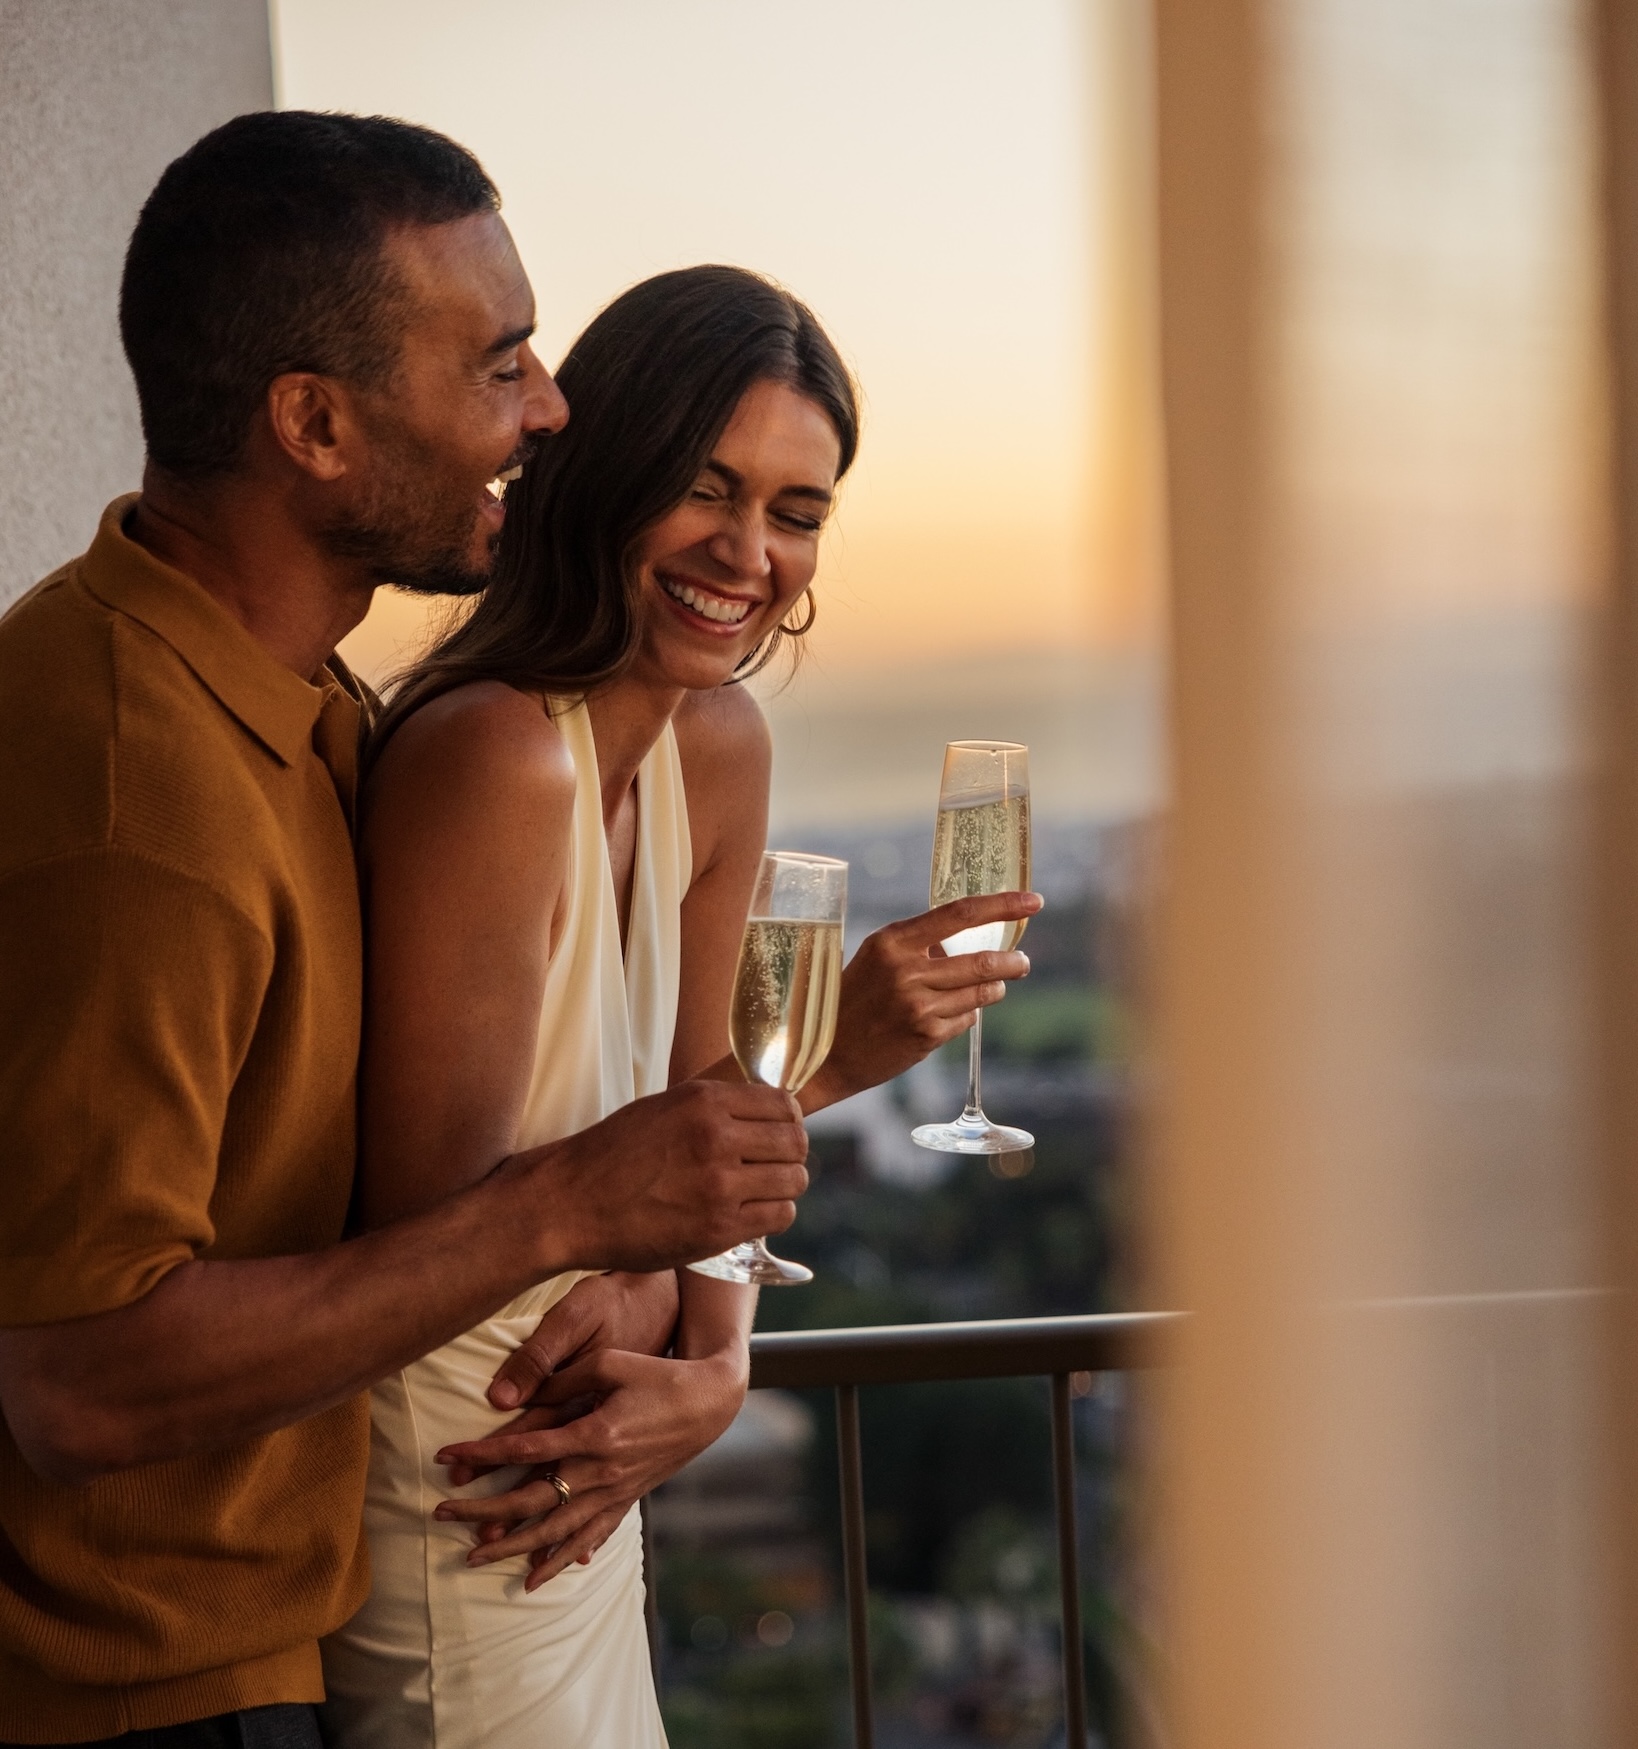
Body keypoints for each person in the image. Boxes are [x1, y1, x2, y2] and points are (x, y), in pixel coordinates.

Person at [0, 117, 812, 1748]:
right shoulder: (135, 793)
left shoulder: (287, 702)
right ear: (314, 422)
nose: (549, 409)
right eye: (498, 365)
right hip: (152, 1688)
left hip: (278, 1633)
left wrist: (663, 1281)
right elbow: (77, 1381)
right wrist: (573, 1208)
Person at [319, 266, 1041, 1747]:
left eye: (794, 510)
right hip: (480, 1486)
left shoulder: (718, 743)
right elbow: (434, 1244)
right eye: (705, 488)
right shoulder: (492, 758)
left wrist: (716, 1363)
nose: (747, 552)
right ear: (602, 472)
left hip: (607, 1460)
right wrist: (830, 1066)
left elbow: (708, 1092)